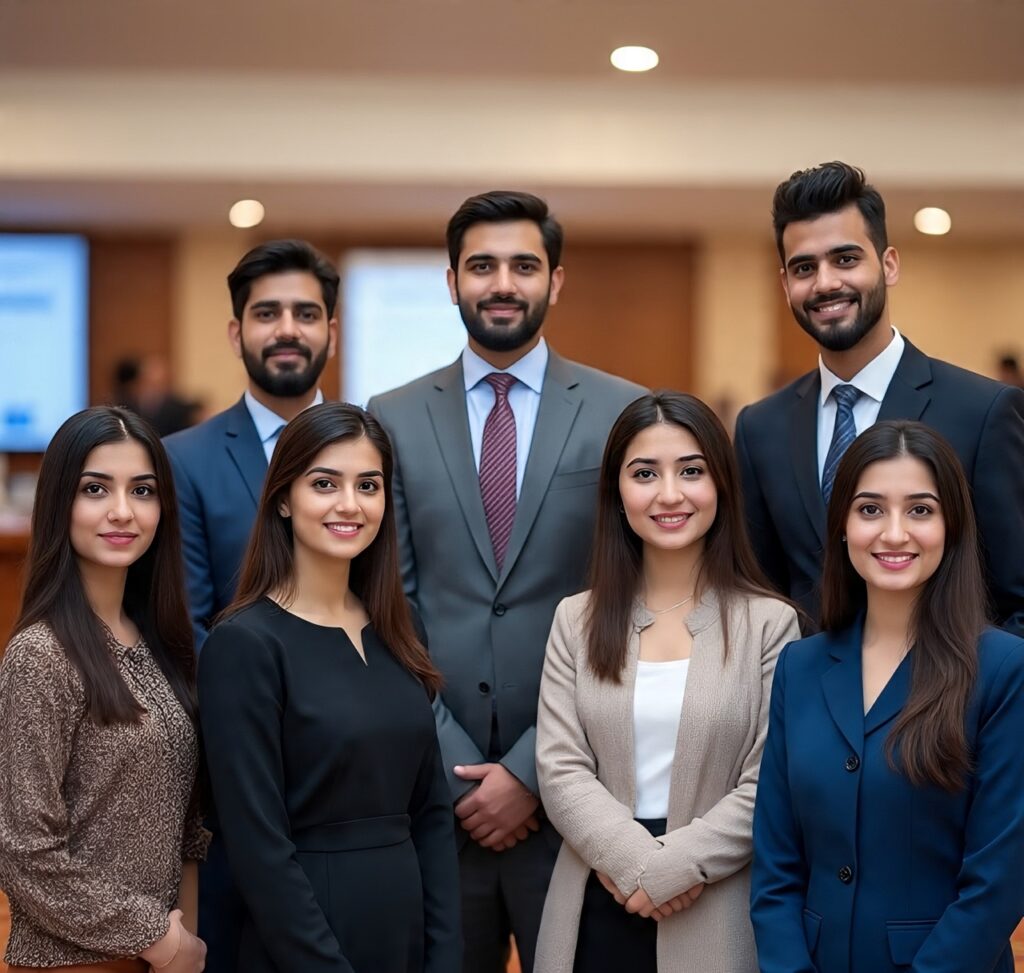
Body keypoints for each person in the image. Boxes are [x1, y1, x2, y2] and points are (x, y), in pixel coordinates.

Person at [368, 190, 645, 973]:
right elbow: (388, 604)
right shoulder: (391, 416)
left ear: (555, 281)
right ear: (451, 280)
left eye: (524, 266)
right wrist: (456, 766)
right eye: (481, 265)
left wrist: (531, 769)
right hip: (435, 796)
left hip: (580, 792)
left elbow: (626, 598)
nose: (502, 283)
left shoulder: (621, 411)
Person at [534, 392, 799, 973]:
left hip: (715, 898)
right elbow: (559, 768)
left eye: (691, 471)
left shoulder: (770, 624)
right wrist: (635, 864)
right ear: (617, 492)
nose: (670, 494)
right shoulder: (575, 620)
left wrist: (673, 868)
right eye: (645, 474)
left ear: (721, 485)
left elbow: (770, 781)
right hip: (598, 894)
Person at [751, 421, 1024, 973]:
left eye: (920, 510)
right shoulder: (799, 667)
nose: (894, 533)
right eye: (870, 509)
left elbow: (998, 881)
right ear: (842, 527)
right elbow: (776, 865)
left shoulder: (1002, 669)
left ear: (951, 525)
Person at [197, 402, 461, 973]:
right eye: (325, 483)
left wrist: (444, 957)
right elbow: (258, 847)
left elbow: (432, 814)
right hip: (301, 939)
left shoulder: (400, 627)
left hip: (405, 925)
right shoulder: (243, 645)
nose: (350, 504)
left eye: (368, 485)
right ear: (283, 499)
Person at [734, 162, 1024, 637]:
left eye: (846, 259)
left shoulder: (984, 412)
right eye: (805, 268)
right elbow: (758, 597)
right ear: (785, 285)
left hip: (946, 681)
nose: (825, 282)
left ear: (889, 265)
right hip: (806, 682)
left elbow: (1017, 602)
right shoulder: (759, 429)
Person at [163, 238, 339, 972]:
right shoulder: (185, 459)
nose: (287, 329)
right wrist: (282, 728)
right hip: (241, 781)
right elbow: (189, 625)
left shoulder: (372, 453)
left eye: (305, 313)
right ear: (237, 333)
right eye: (267, 313)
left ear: (331, 329)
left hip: (359, 780)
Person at [0, 407, 208, 973]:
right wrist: (160, 940)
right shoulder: (41, 655)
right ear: (60, 502)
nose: (122, 511)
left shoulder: (161, 644)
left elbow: (188, 828)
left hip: (166, 955)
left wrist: (183, 945)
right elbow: (24, 853)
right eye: (95, 489)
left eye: (142, 490)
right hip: (73, 962)